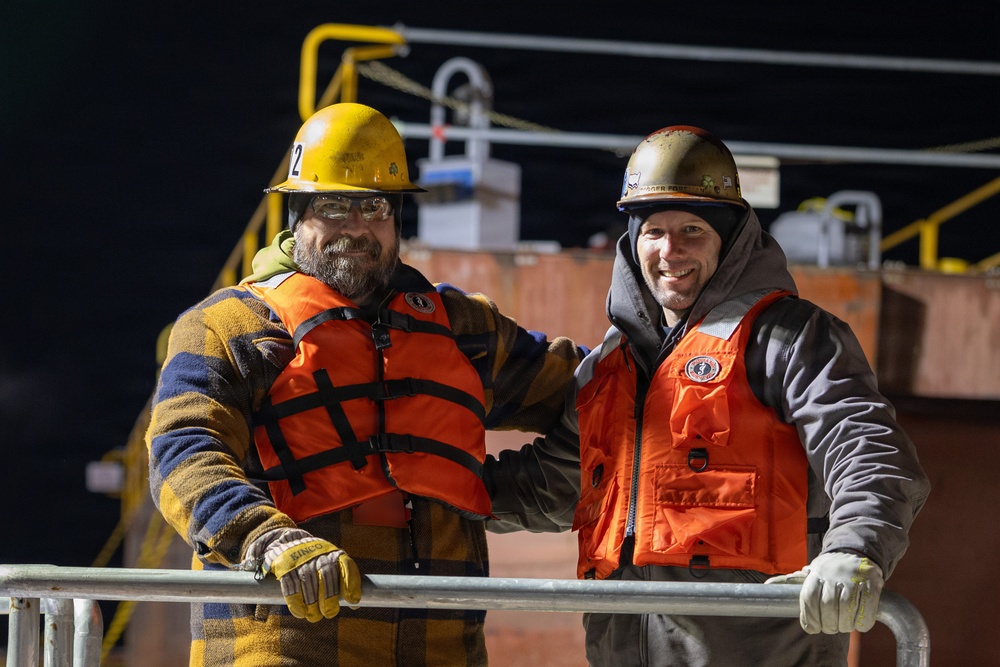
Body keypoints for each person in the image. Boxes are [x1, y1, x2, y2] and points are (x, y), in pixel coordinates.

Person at [145, 102, 584, 666]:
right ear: (297, 216)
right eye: (332, 206)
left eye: (374, 206)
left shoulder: (463, 328)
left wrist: (499, 492)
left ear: (396, 217)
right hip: (283, 647)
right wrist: (268, 538)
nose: (355, 227)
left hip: (442, 652)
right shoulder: (227, 326)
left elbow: (592, 394)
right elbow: (182, 450)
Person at [485, 125, 931, 666]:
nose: (669, 250)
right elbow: (551, 486)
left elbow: (869, 451)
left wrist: (856, 549)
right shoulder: (608, 367)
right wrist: (427, 486)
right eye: (653, 231)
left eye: (692, 229)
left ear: (731, 236)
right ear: (634, 241)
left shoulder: (791, 340)